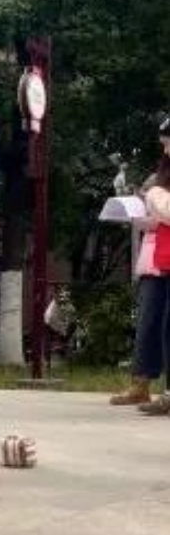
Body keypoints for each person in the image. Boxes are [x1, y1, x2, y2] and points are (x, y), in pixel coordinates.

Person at [118, 116, 170, 413]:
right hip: (157, 256)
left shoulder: (156, 187)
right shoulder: (160, 173)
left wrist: (155, 199)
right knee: (150, 322)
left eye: (168, 141)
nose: (165, 149)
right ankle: (141, 383)